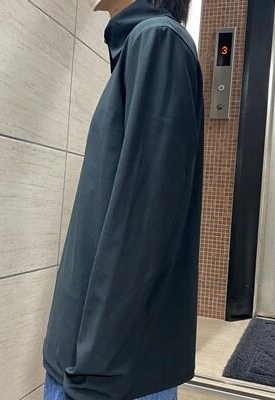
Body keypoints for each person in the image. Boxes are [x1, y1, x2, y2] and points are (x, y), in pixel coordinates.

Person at [42, 0, 204, 398]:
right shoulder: (143, 43)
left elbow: (142, 227)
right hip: (93, 365)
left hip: (103, 374)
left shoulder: (158, 41)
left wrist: (93, 376)